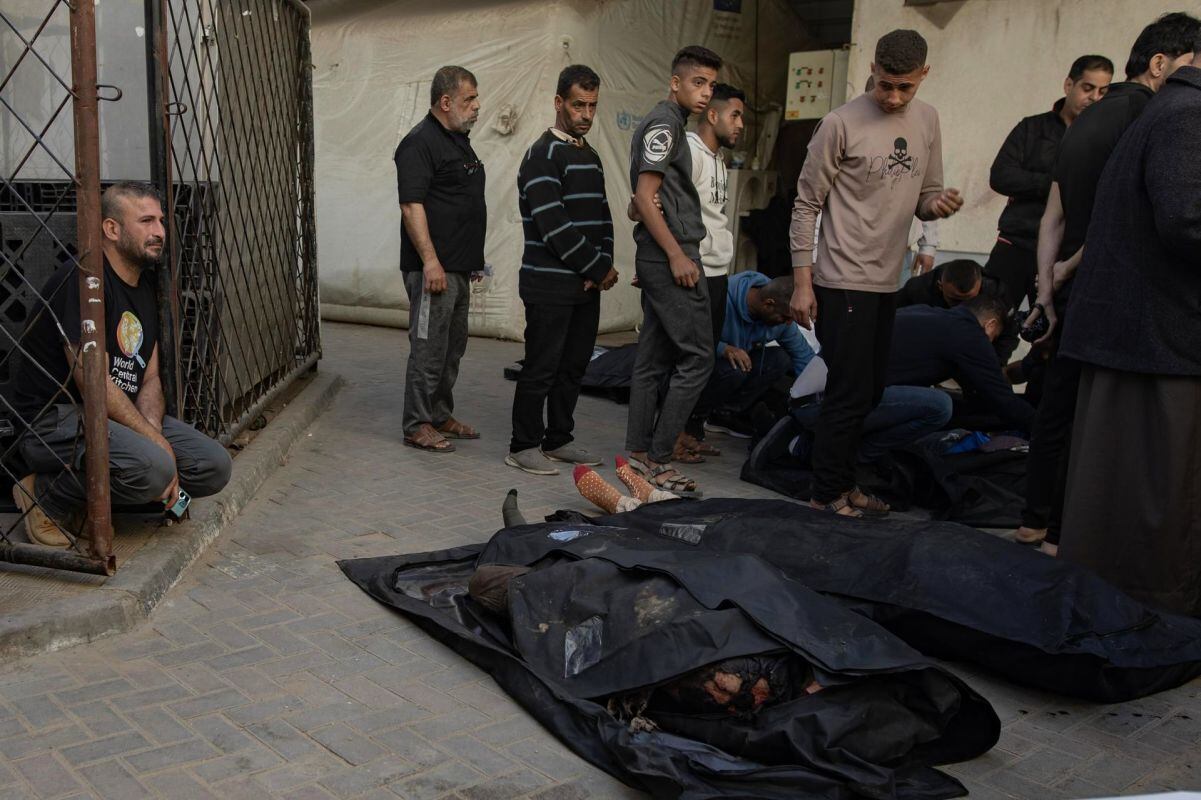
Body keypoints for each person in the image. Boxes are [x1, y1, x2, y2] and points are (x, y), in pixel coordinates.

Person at [1016, 12, 1200, 552]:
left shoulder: (1086, 120)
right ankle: (1059, 534)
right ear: (1162, 63)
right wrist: (1070, 271)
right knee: (1095, 436)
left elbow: (1055, 212)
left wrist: (1047, 286)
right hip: (1123, 300)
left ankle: (1036, 522)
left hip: (1079, 293)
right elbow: (1124, 220)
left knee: (1057, 412)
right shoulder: (1158, 115)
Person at [789, 29, 963, 517]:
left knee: (869, 393)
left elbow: (928, 194)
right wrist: (803, 283)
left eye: (904, 87)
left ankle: (845, 486)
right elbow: (805, 205)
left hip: (890, 279)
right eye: (885, 84)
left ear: (923, 76)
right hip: (840, 278)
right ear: (872, 68)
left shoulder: (928, 119)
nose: (893, 96)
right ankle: (825, 496)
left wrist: (940, 205)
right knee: (846, 394)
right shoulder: (839, 123)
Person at [1057, 50, 1201, 614]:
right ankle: (1148, 620)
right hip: (1163, 342)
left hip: (1147, 338)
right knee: (1156, 507)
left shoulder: (1168, 109)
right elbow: (1189, 221)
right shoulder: (1189, 116)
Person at [12, 182, 232, 547]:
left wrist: (153, 433)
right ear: (112, 229)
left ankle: (110, 488)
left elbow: (148, 376)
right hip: (56, 420)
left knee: (212, 465)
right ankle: (45, 496)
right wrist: (153, 445)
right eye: (146, 221)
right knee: (154, 465)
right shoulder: (83, 281)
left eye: (160, 221)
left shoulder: (143, 288)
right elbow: (92, 381)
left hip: (113, 418)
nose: (159, 231)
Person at [505, 65, 618, 475]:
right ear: (558, 103)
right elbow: (554, 226)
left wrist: (602, 267)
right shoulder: (542, 155)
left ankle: (559, 440)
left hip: (585, 285)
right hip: (548, 285)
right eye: (578, 105)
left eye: (592, 106)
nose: (586, 114)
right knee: (542, 366)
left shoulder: (590, 154)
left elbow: (604, 218)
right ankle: (523, 445)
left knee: (574, 366)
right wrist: (595, 266)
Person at [624, 46, 721, 495]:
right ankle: (660, 459)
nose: (705, 93)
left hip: (659, 253)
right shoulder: (665, 123)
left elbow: (641, 199)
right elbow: (645, 198)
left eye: (711, 85)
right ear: (675, 82)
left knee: (653, 360)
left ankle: (640, 457)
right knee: (699, 357)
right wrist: (677, 256)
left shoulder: (669, 124)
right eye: (698, 82)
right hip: (673, 255)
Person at [395, 65, 486, 453]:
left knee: (452, 348)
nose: (477, 107)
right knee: (429, 348)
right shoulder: (419, 143)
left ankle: (439, 414)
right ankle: (417, 424)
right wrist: (431, 262)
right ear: (445, 102)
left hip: (459, 269)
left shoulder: (458, 139)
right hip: (433, 270)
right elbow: (411, 206)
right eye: (469, 99)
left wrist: (471, 261)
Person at [985, 54, 1114, 311]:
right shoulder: (1032, 128)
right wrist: (1057, 185)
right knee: (986, 316)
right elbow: (1001, 176)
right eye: (1087, 88)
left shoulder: (1105, 140)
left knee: (1049, 334)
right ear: (1069, 85)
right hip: (1017, 242)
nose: (1094, 98)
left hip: (1063, 255)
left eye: (1103, 91)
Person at [678, 82, 745, 459]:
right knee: (687, 359)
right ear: (714, 115)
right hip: (695, 269)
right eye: (735, 116)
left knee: (704, 359)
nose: (740, 125)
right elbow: (665, 204)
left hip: (718, 271)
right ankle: (669, 436)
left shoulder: (718, 158)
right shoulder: (691, 152)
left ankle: (689, 431)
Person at [887, 294, 1034, 433]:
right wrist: (1042, 429)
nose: (989, 343)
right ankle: (872, 452)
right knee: (941, 405)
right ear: (990, 324)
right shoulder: (971, 335)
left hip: (871, 388)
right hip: (875, 400)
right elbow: (1002, 399)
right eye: (993, 337)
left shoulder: (926, 312)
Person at [689, 273, 811, 439]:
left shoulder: (781, 312)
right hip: (703, 365)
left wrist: (815, 397)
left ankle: (723, 414)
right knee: (735, 368)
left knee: (780, 359)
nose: (788, 323)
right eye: (785, 317)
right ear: (768, 305)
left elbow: (802, 355)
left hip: (737, 369)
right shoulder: (722, 296)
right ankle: (695, 416)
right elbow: (688, 335)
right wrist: (723, 349)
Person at [895, 258, 1019, 361]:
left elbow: (1008, 335)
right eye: (955, 300)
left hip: (976, 354)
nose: (961, 306)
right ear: (940, 286)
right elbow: (892, 320)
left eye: (969, 300)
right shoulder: (920, 289)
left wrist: (997, 364)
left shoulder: (996, 293)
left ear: (980, 285)